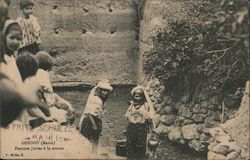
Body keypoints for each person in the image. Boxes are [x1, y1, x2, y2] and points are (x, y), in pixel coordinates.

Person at [35, 51, 75, 124]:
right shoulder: (43, 74)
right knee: (67, 116)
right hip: (45, 109)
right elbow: (49, 99)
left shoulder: (35, 73)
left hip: (38, 107)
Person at [79, 79, 113, 154]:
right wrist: (94, 125)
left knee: (92, 143)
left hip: (94, 121)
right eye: (103, 90)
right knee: (90, 143)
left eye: (107, 91)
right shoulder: (96, 99)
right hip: (90, 122)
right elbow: (89, 113)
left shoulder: (100, 99)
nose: (105, 92)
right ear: (99, 90)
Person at [125, 85, 156, 160]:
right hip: (132, 127)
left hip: (142, 128)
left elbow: (151, 117)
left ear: (142, 96)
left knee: (141, 146)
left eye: (139, 96)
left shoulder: (146, 105)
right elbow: (127, 115)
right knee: (131, 145)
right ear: (133, 96)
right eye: (136, 96)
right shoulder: (131, 105)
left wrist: (147, 118)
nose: (137, 98)